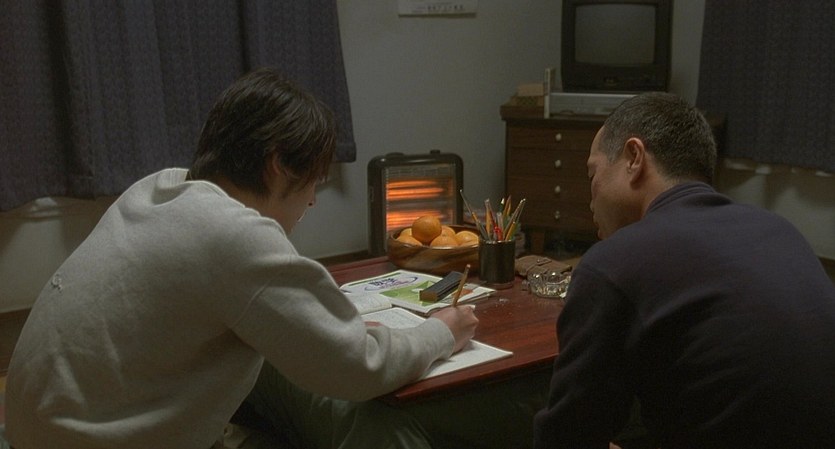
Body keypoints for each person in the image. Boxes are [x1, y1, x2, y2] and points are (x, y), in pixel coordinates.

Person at [4, 67, 480, 449]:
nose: (313, 200)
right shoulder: (233, 236)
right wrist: (442, 332)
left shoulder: (158, 188)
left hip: (37, 426)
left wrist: (326, 329)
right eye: (314, 181)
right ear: (278, 166)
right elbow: (359, 368)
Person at [532, 92, 835, 449]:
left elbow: (566, 439)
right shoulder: (779, 231)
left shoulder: (615, 261)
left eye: (593, 174)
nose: (590, 199)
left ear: (634, 158)